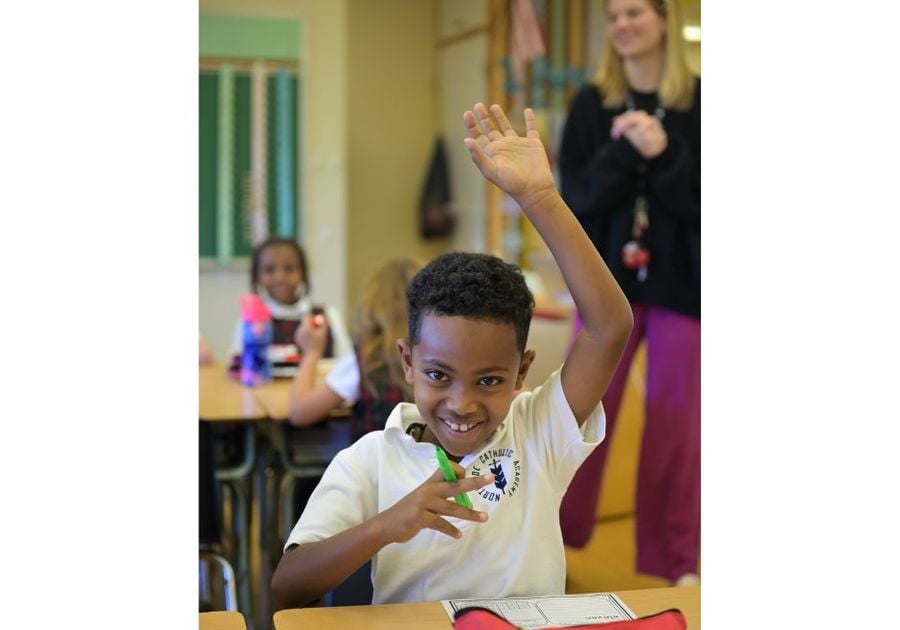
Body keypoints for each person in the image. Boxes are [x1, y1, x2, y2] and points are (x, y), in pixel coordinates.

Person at [270, 102, 633, 608]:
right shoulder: (372, 460)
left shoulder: (538, 432)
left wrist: (540, 197)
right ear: (408, 363)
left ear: (521, 372)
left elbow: (610, 327)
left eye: (488, 381)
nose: (462, 404)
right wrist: (386, 524)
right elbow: (288, 583)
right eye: (439, 375)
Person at [556, 0, 700, 586]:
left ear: (665, 19)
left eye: (635, 12)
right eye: (613, 16)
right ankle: (550, 540)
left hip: (684, 289)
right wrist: (626, 149)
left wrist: (663, 152)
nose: (622, 25)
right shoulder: (593, 104)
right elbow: (578, 197)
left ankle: (676, 566)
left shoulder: (701, 100)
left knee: (676, 428)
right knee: (575, 414)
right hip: (603, 287)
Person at [286, 256, 423, 441]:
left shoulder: (368, 356)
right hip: (435, 463)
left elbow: (299, 412)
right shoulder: (440, 353)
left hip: (376, 467)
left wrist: (312, 352)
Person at [227, 237, 352, 377]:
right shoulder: (249, 323)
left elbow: (346, 362)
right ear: (257, 276)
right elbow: (237, 365)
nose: (280, 277)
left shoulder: (327, 315)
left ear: (303, 274)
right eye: (269, 270)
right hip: (266, 393)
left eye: (289, 269)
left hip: (318, 394)